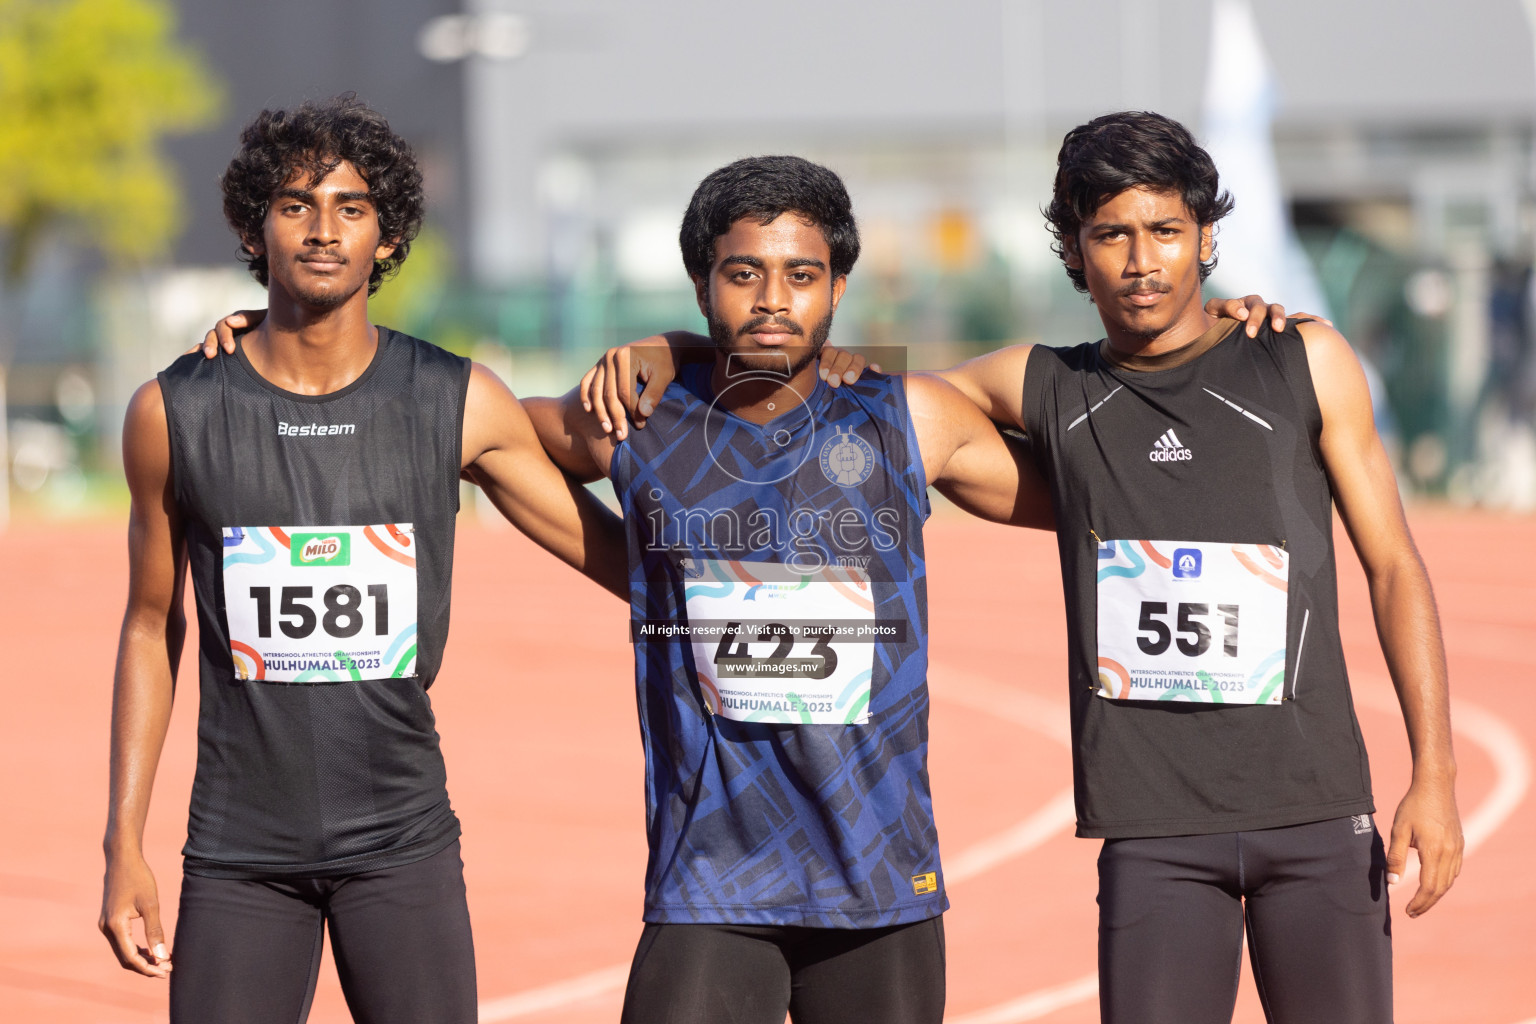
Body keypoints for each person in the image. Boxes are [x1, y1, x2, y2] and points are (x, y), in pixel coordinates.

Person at [584, 114, 1463, 1023]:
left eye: (1165, 231)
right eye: (1110, 235)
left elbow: (1394, 566)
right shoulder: (1045, 388)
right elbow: (846, 391)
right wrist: (679, 348)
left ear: (1208, 239)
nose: (1141, 260)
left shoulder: (1306, 362)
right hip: (1152, 829)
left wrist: (1433, 777)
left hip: (1318, 812)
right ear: (1074, 255)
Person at [99, 95, 626, 1024]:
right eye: (296, 205)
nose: (324, 229)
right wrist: (122, 843)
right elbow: (151, 625)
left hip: (403, 843)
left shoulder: (455, 399)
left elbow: (620, 561)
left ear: (388, 237)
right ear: (253, 227)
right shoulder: (171, 413)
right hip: (237, 852)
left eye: (351, 207)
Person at [523, 155, 1059, 1024]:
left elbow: (1110, 475)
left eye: (802, 275)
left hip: (879, 882)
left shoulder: (909, 417)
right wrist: (276, 331)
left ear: (839, 287)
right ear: (703, 285)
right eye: (744, 274)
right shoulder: (637, 421)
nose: (773, 299)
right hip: (710, 880)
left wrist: (1208, 341)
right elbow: (477, 434)